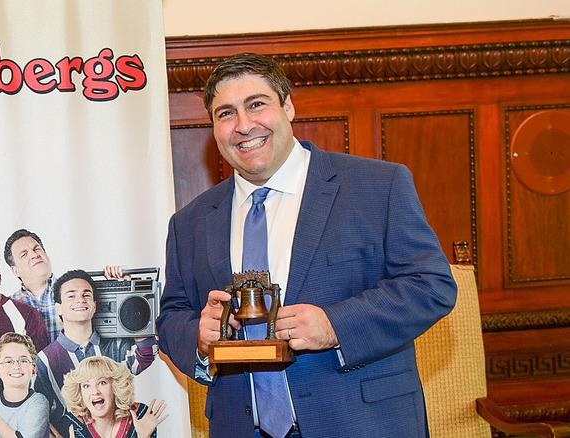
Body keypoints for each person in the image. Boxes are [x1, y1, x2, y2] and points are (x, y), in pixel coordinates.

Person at [156, 52, 458, 438]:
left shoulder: (376, 186)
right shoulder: (190, 222)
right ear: (213, 128)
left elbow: (431, 286)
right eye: (225, 113)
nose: (244, 125)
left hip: (360, 425)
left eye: (256, 105)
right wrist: (199, 335)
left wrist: (335, 325)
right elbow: (171, 317)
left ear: (288, 106)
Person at [34, 269, 158, 437]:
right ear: (58, 308)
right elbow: (41, 412)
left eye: (86, 295)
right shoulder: (45, 360)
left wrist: (129, 293)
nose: (80, 299)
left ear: (94, 305)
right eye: (71, 295)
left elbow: (146, 354)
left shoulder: (116, 345)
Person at [4, 228, 129, 343]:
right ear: (15, 270)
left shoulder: (83, 294)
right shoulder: (9, 307)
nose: (34, 254)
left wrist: (123, 288)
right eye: (24, 254)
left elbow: (121, 340)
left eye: (37, 249)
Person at [61, 356, 167, 438]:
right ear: (80, 392)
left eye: (102, 382)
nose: (95, 391)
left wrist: (144, 436)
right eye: (86, 385)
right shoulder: (72, 424)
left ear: (115, 387)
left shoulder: (140, 415)